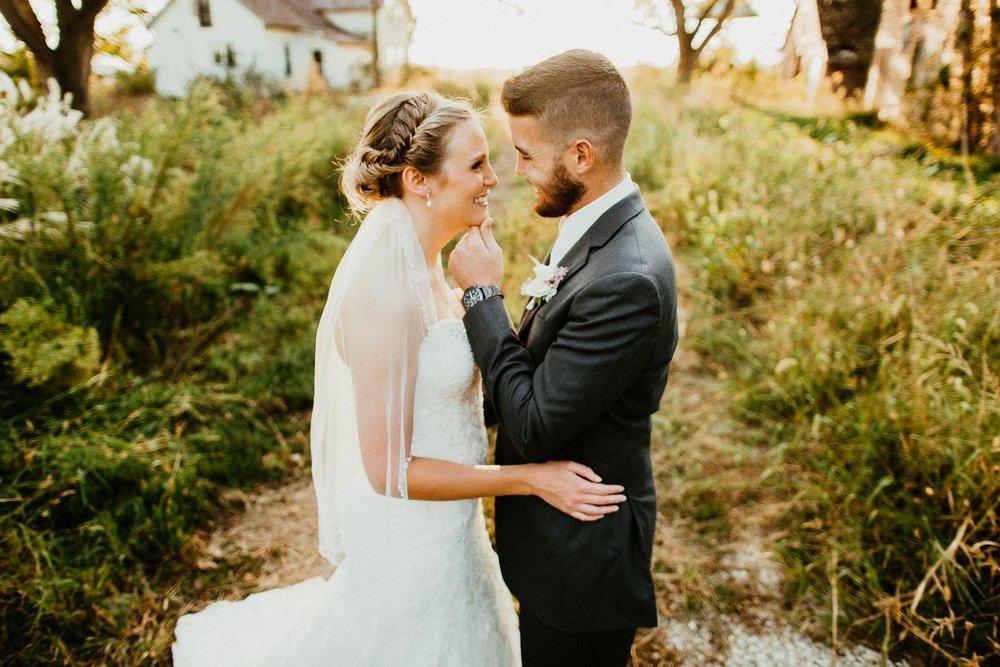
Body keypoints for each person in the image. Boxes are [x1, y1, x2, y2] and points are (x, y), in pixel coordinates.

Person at [170, 91, 627, 666]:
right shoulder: (383, 292)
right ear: (419, 179)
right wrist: (530, 479)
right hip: (408, 547)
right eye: (476, 164)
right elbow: (389, 471)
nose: (493, 177)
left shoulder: (434, 263)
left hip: (453, 535)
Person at [449, 49, 679, 667]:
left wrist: (481, 297)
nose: (514, 171)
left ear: (582, 155)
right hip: (555, 539)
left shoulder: (627, 277)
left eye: (525, 154)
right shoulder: (596, 230)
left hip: (580, 558)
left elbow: (535, 424)